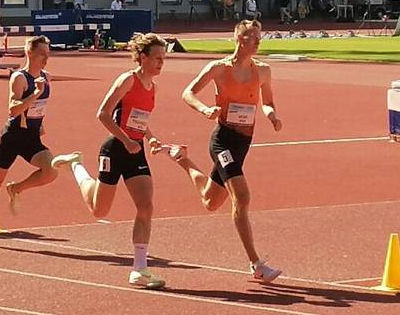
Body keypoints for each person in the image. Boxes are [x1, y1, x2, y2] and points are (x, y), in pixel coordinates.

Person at [161, 20, 283, 283]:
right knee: (242, 196)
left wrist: (272, 116)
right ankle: (256, 264)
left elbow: (268, 102)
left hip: (244, 142)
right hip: (223, 140)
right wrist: (204, 109)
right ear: (240, 40)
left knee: (211, 201)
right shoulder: (218, 68)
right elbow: (188, 92)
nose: (258, 41)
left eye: (260, 37)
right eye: (253, 37)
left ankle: (182, 159)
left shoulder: (263, 71)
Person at [52, 34, 169, 289]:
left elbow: (139, 119)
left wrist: (150, 138)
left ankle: (139, 268)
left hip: (135, 150)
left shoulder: (154, 88)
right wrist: (126, 140)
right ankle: (76, 165)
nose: (162, 63)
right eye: (157, 58)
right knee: (99, 210)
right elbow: (103, 114)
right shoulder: (128, 80)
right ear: (143, 57)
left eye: (164, 58)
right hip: (115, 149)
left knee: (146, 206)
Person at [0, 36, 58, 244]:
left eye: (48, 53)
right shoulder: (20, 78)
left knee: (51, 170)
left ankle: (16, 188)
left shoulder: (47, 77)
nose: (46, 58)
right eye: (42, 54)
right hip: (13, 136)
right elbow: (13, 110)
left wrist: (40, 125)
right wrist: (35, 93)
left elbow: (39, 108)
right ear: (30, 54)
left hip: (32, 137)